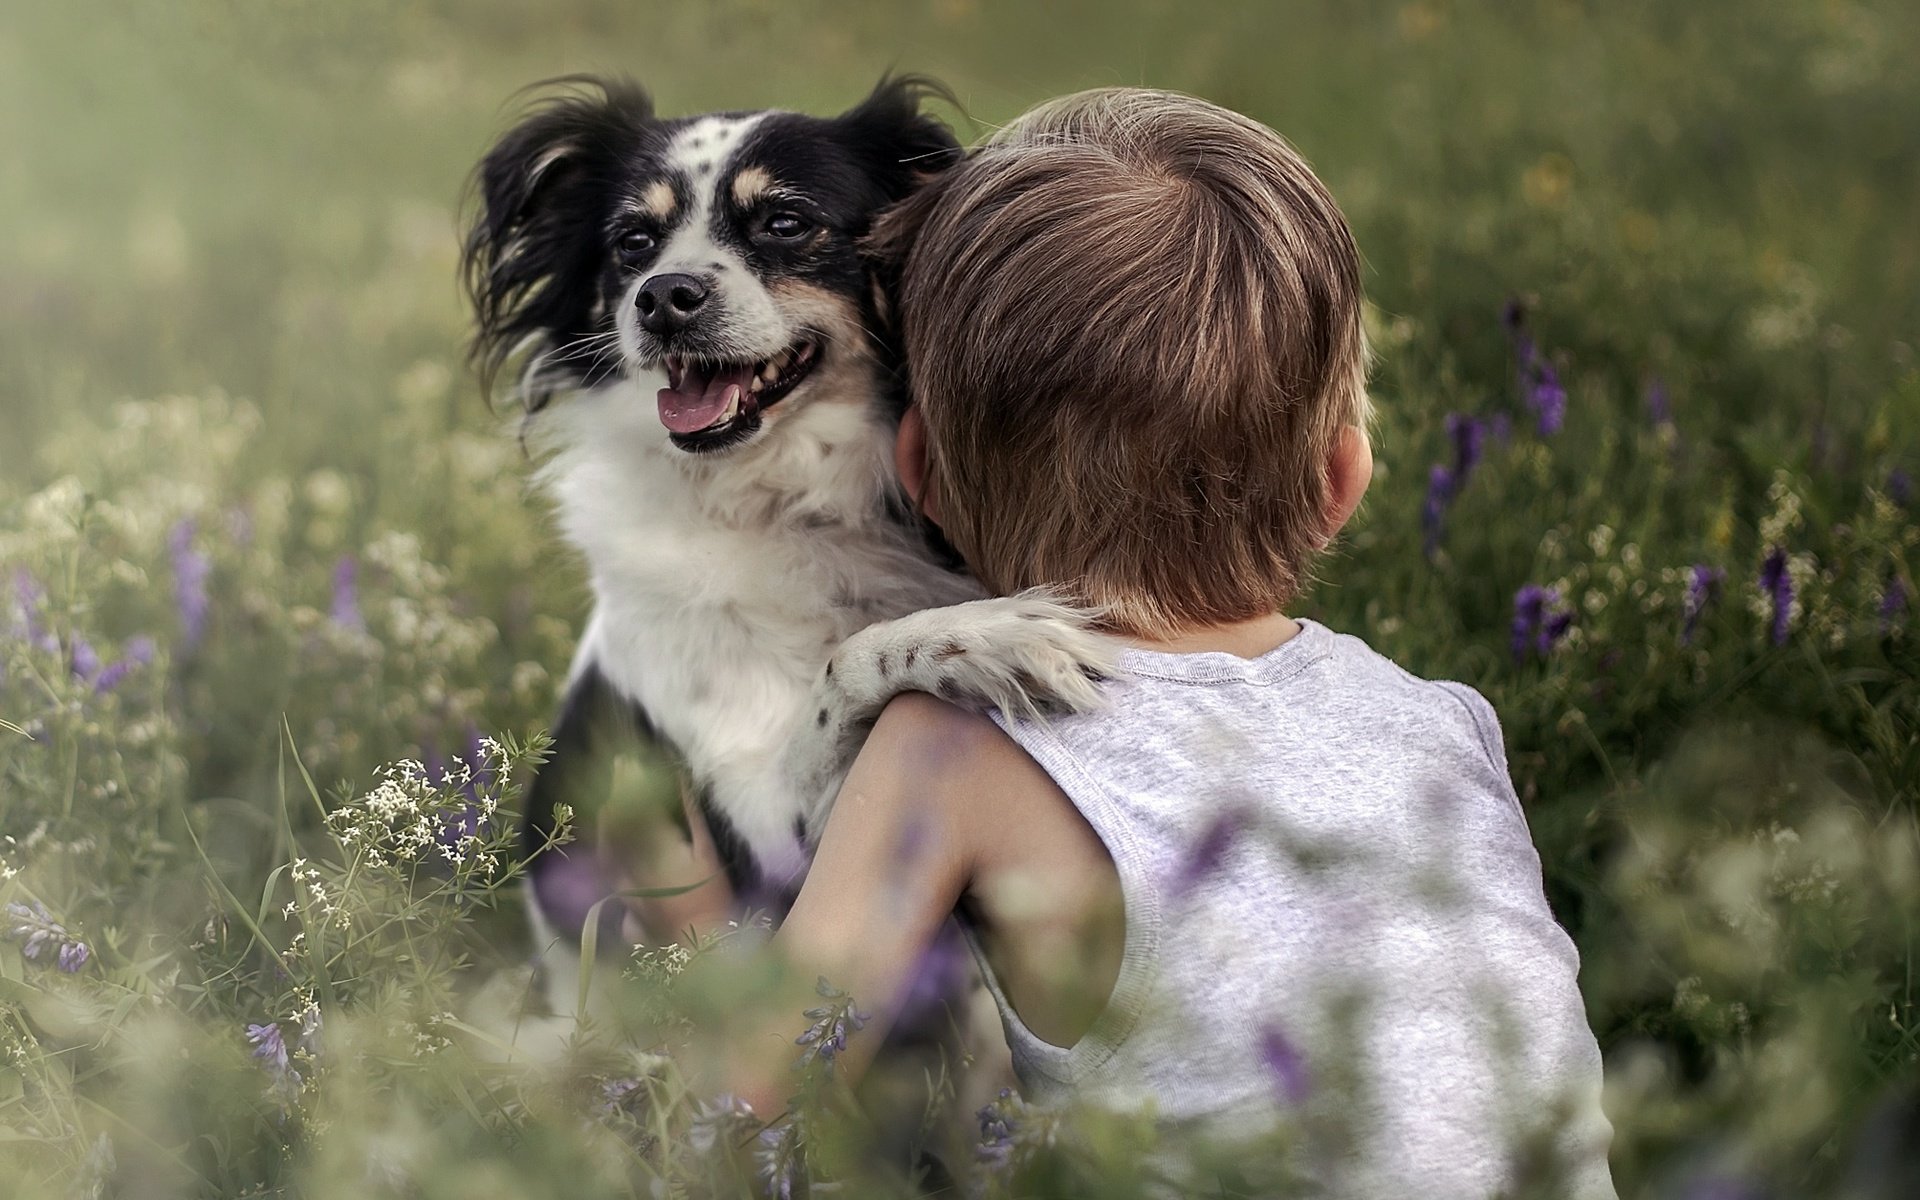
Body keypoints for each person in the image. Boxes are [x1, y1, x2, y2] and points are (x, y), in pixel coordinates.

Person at [720, 87, 1617, 1197]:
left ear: (919, 476)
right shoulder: (1448, 726)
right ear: (1345, 479)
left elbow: (738, 1115)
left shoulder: (944, 756)